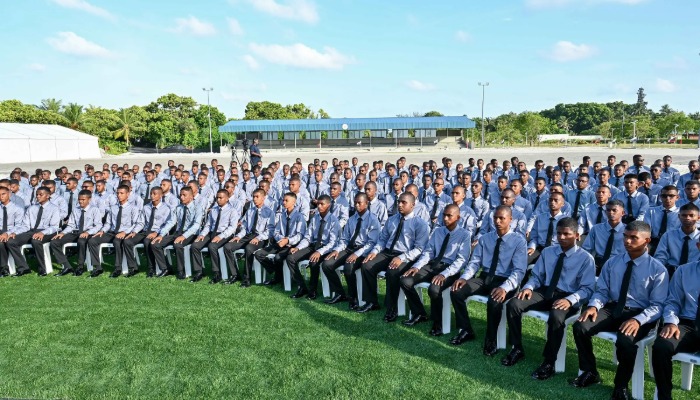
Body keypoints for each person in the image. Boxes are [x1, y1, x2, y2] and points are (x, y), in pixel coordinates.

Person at [571, 221, 668, 400]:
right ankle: (590, 371)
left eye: (633, 238)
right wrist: (593, 306)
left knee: (625, 340)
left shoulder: (658, 269)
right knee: (581, 326)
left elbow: (658, 305)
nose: (627, 241)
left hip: (640, 314)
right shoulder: (613, 262)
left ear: (647, 241)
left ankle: (621, 385)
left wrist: (638, 320)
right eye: (625, 236)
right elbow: (602, 291)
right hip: (613, 308)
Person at [504, 218, 596, 380]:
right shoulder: (548, 252)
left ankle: (549, 362)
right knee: (514, 304)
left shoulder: (586, 258)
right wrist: (528, 287)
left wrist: (570, 300)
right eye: (559, 233)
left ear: (577, 236)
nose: (561, 237)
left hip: (568, 296)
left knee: (556, 316)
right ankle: (517, 348)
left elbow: (587, 289)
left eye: (566, 234)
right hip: (545, 292)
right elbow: (536, 276)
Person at [449, 206, 527, 356]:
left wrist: (505, 288)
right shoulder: (485, 238)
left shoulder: (519, 241)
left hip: (504, 280)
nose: (497, 221)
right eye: (495, 218)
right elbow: (475, 262)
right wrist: (464, 277)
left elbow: (519, 271)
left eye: (502, 218)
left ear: (510, 220)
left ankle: (491, 339)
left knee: (494, 301)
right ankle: (466, 329)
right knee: (456, 291)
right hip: (485, 277)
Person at [399, 204, 471, 336]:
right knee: (405, 280)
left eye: (449, 216)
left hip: (450, 270)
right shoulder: (438, 231)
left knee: (434, 289)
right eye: (444, 215)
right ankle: (419, 313)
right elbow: (428, 252)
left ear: (458, 218)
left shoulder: (465, 235)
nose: (445, 218)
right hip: (433, 265)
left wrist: (444, 274)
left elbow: (461, 260)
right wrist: (417, 266)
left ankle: (438, 322)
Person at [357, 192, 430, 321]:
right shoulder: (392, 219)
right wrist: (374, 251)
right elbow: (382, 239)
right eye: (399, 202)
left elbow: (419, 248)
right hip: (387, 252)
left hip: (406, 256)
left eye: (404, 202)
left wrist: (402, 258)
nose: (400, 205)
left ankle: (392, 308)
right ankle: (371, 302)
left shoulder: (420, 224)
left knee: (392, 271)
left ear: (412, 205)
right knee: (367, 265)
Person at [650, 257, 700, 400]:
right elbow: (673, 301)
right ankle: (664, 396)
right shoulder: (684, 271)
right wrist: (671, 322)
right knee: (662, 346)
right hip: (687, 324)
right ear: (698, 246)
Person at [321, 193, 381, 310]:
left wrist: (356, 254)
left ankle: (353, 297)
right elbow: (344, 239)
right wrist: (337, 250)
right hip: (349, 248)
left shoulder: (373, 220)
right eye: (355, 203)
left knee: (349, 267)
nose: (356, 205)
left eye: (359, 203)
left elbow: (371, 243)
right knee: (327, 264)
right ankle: (339, 293)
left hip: (363, 251)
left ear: (366, 203)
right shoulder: (352, 219)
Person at [286, 195, 340, 299]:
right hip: (313, 246)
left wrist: (319, 252)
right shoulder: (315, 218)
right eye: (318, 204)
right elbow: (307, 238)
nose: (319, 206)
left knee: (313, 261)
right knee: (290, 257)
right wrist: (298, 247)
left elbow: (332, 243)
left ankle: (313, 290)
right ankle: (302, 287)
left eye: (322, 204)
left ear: (328, 206)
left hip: (326, 249)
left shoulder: (334, 220)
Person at [87, 185, 144, 278]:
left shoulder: (134, 208)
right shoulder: (113, 208)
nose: (119, 195)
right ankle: (97, 268)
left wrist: (125, 232)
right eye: (117, 193)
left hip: (126, 233)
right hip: (112, 232)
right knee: (92, 240)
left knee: (117, 241)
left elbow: (135, 224)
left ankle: (119, 268)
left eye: (122, 193)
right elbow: (108, 223)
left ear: (128, 194)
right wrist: (102, 231)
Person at [223, 188, 275, 287]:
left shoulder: (269, 212)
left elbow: (270, 231)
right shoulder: (250, 211)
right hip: (248, 236)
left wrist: (258, 238)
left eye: (257, 197)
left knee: (249, 248)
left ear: (263, 198)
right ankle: (235, 274)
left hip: (261, 238)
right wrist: (238, 236)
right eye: (253, 197)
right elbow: (245, 227)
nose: (254, 199)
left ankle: (246, 279)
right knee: (227, 247)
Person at [150, 187, 204, 279]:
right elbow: (171, 222)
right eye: (180, 195)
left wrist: (184, 236)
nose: (181, 197)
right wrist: (161, 235)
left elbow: (196, 226)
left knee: (178, 245)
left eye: (184, 195)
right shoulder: (178, 208)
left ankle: (181, 270)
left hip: (191, 234)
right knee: (155, 244)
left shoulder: (197, 208)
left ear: (191, 196)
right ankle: (166, 269)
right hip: (178, 233)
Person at [7, 187, 61, 276]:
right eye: (37, 194)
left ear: (48, 196)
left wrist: (43, 233)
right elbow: (25, 226)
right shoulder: (31, 208)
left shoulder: (54, 208)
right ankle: (24, 267)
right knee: (11, 241)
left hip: (48, 232)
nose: (38, 196)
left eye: (41, 194)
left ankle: (42, 268)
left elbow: (55, 226)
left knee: (36, 241)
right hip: (32, 231)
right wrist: (15, 233)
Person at [255, 192, 306, 286]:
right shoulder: (281, 215)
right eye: (283, 200)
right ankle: (279, 273)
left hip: (292, 245)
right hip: (280, 242)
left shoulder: (300, 216)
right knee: (259, 254)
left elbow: (300, 235)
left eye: (286, 200)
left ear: (294, 202)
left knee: (278, 257)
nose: (284, 202)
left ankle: (278, 277)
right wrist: (282, 239)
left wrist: (288, 240)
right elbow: (276, 232)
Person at [190, 189, 240, 284]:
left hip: (225, 235)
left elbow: (232, 227)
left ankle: (217, 273)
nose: (218, 199)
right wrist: (202, 235)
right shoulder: (213, 210)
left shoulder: (232, 211)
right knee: (195, 245)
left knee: (212, 246)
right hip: (211, 233)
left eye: (221, 198)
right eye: (217, 197)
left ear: (227, 198)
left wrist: (221, 236)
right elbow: (208, 225)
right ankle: (199, 272)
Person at [50, 189, 104, 276]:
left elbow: (98, 225)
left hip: (88, 233)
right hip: (76, 232)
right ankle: (67, 266)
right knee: (54, 242)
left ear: (89, 199)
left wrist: (88, 232)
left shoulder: (95, 210)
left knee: (81, 241)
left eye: (83, 199)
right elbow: (71, 225)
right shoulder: (76, 209)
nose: (80, 201)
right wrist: (63, 233)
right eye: (79, 199)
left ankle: (80, 266)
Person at [126, 187, 174, 278]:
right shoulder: (146, 207)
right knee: (127, 241)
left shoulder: (166, 208)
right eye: (151, 193)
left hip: (158, 232)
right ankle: (133, 268)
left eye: (154, 194)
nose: (152, 195)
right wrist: (134, 231)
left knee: (147, 241)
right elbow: (141, 222)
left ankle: (151, 269)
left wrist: (156, 233)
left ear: (161, 195)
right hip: (146, 231)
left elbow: (167, 224)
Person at [652, 203, 700, 277]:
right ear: (679, 216)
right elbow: (660, 256)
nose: (687, 218)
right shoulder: (668, 235)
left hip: (695, 273)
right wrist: (658, 272)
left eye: (691, 215)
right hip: (671, 272)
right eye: (684, 215)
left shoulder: (699, 237)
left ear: (698, 218)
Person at [582, 200, 626, 273]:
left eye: (614, 210)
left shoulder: (627, 231)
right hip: (598, 264)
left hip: (619, 265)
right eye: (608, 210)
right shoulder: (596, 228)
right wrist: (588, 263)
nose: (611, 212)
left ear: (623, 213)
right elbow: (587, 248)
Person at [0, 187, 32, 277]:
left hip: (14, 231)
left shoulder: (17, 209)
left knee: (4, 242)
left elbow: (19, 225)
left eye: (3, 194)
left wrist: (7, 233)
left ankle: (21, 267)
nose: (1, 196)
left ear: (9, 194)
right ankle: (4, 269)